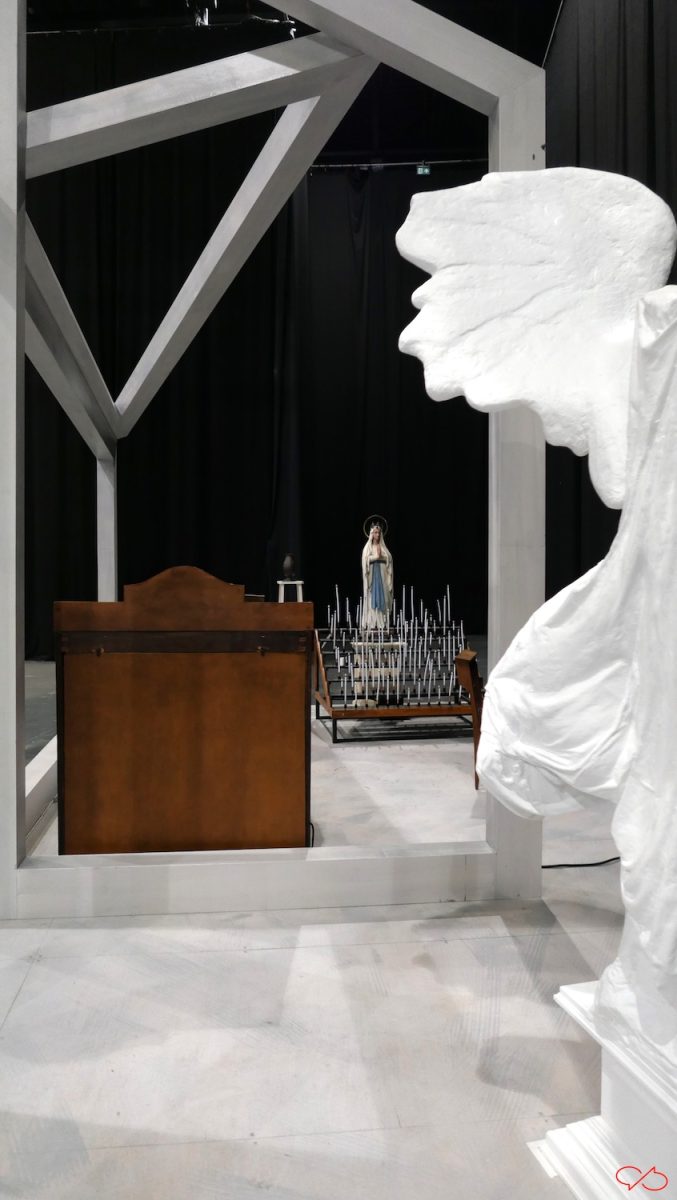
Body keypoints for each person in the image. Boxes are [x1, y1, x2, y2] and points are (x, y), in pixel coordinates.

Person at [361, 521, 393, 629]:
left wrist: (382, 557)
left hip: (382, 576)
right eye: (375, 532)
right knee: (371, 598)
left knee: (384, 597)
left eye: (379, 532)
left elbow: (389, 559)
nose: (377, 535)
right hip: (372, 577)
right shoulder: (368, 548)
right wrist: (375, 557)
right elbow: (365, 560)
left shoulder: (383, 547)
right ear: (371, 533)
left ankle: (382, 623)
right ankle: (372, 623)